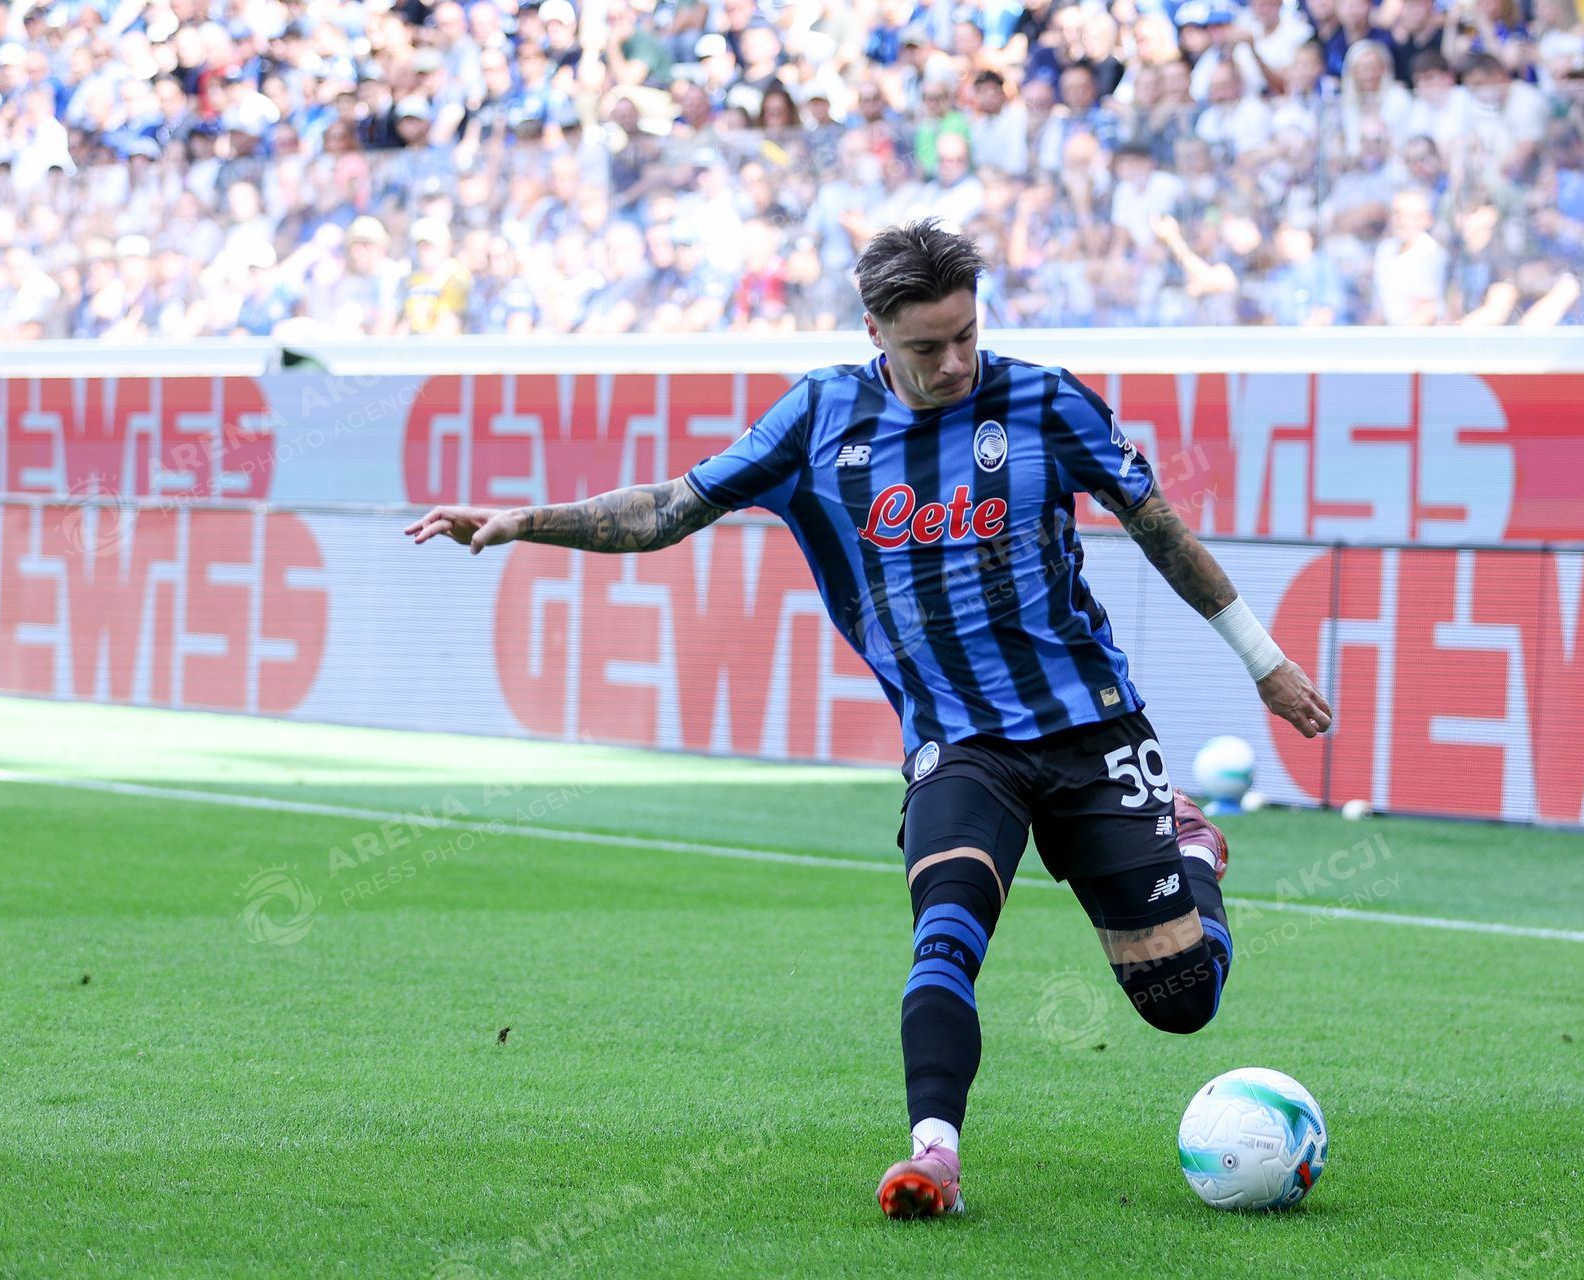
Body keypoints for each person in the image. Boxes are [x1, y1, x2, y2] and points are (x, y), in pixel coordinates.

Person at [404, 219, 1332, 1218]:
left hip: (1091, 731)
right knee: (945, 935)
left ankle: (1190, 846)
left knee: (1183, 1004)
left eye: (967, 334)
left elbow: (1162, 532)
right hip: (959, 745)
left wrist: (1265, 662)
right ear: (875, 332)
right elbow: (671, 507)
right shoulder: (818, 416)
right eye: (928, 346)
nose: (954, 362)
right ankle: (935, 1156)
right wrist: (525, 521)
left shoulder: (1045, 401)